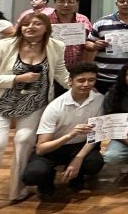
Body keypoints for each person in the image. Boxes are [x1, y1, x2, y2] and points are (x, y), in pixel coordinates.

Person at [0, 13, 70, 213]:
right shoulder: (3, 46)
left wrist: (80, 86)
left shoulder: (56, 46)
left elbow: (61, 73)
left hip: (34, 104)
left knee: (24, 141)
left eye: (37, 23)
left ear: (46, 28)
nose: (30, 27)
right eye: (26, 24)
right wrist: (15, 79)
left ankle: (18, 191)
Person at [21, 62, 104, 195]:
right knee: (33, 175)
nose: (86, 84)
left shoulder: (100, 100)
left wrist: (78, 158)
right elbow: (41, 148)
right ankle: (47, 181)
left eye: (91, 80)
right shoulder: (55, 107)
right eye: (81, 80)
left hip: (80, 145)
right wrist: (70, 135)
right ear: (70, 81)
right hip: (55, 147)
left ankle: (78, 177)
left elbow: (96, 134)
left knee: (94, 163)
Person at [49, 0, 95, 70]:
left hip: (77, 67)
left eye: (71, 2)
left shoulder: (83, 19)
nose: (66, 5)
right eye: (61, 1)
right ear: (54, 3)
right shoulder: (45, 20)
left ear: (77, 4)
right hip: (52, 66)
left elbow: (89, 39)